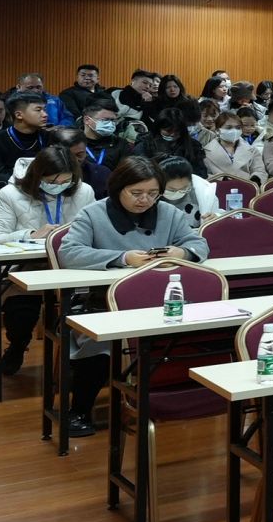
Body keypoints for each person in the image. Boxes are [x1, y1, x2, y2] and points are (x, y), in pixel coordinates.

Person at [57, 157, 211, 435]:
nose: (145, 200)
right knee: (101, 343)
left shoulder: (168, 213)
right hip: (107, 304)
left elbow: (198, 243)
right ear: (118, 188)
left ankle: (177, 398)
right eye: (136, 193)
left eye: (153, 193)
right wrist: (123, 257)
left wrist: (182, 252)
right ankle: (79, 410)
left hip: (162, 302)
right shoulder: (93, 214)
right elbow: (69, 252)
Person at [0, 145, 94, 374]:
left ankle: (79, 361)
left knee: (87, 308)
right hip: (25, 269)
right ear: (37, 175)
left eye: (66, 181)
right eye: (52, 181)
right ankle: (18, 345)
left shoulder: (84, 191)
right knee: (21, 312)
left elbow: (95, 229)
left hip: (70, 267)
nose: (59, 186)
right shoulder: (10, 194)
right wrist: (30, 235)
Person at [0, 90, 54, 193]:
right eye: (38, 110)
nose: (45, 114)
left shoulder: (49, 137)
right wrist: (32, 182)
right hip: (8, 189)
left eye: (44, 109)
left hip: (46, 187)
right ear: (19, 115)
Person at [73, 100, 130, 194]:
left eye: (113, 120)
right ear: (87, 120)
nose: (110, 124)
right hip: (77, 191)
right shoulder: (73, 143)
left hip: (111, 192)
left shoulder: (121, 144)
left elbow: (125, 173)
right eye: (105, 120)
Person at [137, 107, 206, 176]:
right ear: (159, 128)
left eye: (177, 131)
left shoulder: (193, 145)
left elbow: (201, 172)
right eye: (168, 131)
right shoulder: (145, 144)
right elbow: (140, 172)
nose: (173, 134)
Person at [203, 112, 264, 184]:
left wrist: (254, 181)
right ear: (217, 130)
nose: (234, 131)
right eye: (229, 127)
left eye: (238, 128)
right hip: (219, 188)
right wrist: (222, 180)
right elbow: (204, 175)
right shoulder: (205, 152)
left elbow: (260, 170)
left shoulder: (252, 150)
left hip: (247, 186)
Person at [156, 156, 221, 224]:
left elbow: (219, 213)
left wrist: (216, 217)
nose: (178, 193)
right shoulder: (153, 197)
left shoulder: (203, 191)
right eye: (172, 190)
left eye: (183, 189)